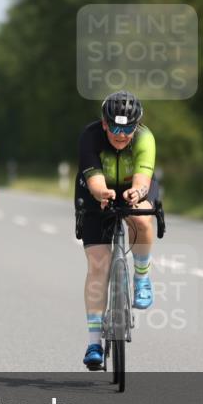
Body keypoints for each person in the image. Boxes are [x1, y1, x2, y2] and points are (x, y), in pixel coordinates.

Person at [74, 90, 157, 370]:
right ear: (105, 123)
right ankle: (94, 342)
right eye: (116, 128)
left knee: (144, 219)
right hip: (96, 190)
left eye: (129, 128)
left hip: (133, 186)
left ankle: (142, 277)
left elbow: (144, 177)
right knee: (99, 265)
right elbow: (95, 180)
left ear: (138, 125)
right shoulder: (90, 136)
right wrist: (102, 193)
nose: (122, 135)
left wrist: (137, 191)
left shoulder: (145, 138)